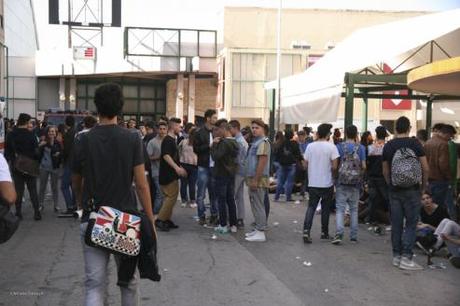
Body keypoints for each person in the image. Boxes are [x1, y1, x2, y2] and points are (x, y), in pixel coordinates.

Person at [72, 83, 155, 306]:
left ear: (96, 107)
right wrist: (150, 218)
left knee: (94, 284)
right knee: (128, 282)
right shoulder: (132, 138)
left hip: (93, 217)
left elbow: (76, 180)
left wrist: (81, 203)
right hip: (124, 220)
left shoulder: (83, 139)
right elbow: (141, 184)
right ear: (120, 108)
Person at [382, 116, 429, 270]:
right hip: (413, 190)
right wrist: (423, 186)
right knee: (411, 223)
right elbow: (425, 167)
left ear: (395, 129)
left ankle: (396, 256)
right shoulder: (415, 144)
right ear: (409, 128)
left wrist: (391, 184)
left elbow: (385, 170)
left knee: (396, 224)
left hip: (395, 190)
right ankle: (406, 258)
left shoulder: (389, 146)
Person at [302, 123, 339, 243]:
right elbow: (334, 167)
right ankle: (324, 233)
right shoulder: (332, 147)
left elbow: (304, 164)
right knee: (325, 208)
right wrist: (333, 177)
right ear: (328, 134)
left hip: (313, 182)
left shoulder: (310, 147)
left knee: (311, 207)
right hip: (326, 183)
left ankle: (306, 231)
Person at [332, 125, 366, 245]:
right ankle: (353, 236)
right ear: (356, 134)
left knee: (340, 209)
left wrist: (335, 178)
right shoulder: (360, 148)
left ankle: (339, 233)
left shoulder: (339, 147)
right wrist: (359, 177)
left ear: (345, 133)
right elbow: (364, 166)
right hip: (355, 183)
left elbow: (335, 166)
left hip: (342, 182)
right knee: (354, 210)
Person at [5, 113, 41, 220]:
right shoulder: (31, 135)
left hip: (17, 166)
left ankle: (18, 213)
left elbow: (8, 152)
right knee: (33, 190)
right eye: (29, 121)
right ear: (26, 122)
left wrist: (12, 161)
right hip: (30, 165)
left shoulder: (11, 134)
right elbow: (36, 151)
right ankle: (37, 213)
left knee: (19, 190)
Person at [155, 118, 187, 232]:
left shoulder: (171, 139)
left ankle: (166, 219)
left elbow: (172, 156)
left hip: (170, 174)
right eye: (179, 126)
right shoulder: (168, 140)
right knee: (171, 197)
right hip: (168, 175)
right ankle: (160, 220)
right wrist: (177, 168)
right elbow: (166, 156)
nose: (180, 128)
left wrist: (179, 166)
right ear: (173, 127)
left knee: (171, 198)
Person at [211, 119, 239, 234]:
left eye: (219, 130)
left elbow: (215, 157)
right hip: (231, 173)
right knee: (230, 199)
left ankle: (223, 224)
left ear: (224, 129)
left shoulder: (224, 143)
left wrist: (213, 145)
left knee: (221, 200)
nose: (217, 132)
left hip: (221, 173)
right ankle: (233, 224)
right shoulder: (235, 142)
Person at [244, 119, 271, 242]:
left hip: (258, 179)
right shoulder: (257, 142)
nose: (254, 130)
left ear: (263, 129)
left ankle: (260, 231)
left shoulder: (263, 143)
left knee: (259, 205)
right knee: (255, 204)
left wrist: (255, 180)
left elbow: (262, 162)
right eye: (253, 128)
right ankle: (257, 229)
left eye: (257, 128)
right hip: (253, 178)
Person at [425, 124, 457, 219]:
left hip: (429, 179)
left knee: (431, 203)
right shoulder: (443, 144)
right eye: (450, 136)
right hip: (440, 179)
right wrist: (449, 177)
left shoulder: (428, 142)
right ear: (446, 134)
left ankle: (431, 223)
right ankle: (439, 226)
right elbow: (443, 164)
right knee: (439, 205)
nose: (450, 139)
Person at [193, 109, 218, 226]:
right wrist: (209, 146)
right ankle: (201, 215)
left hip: (215, 167)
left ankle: (214, 215)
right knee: (201, 194)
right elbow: (196, 149)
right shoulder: (199, 132)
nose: (215, 120)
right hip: (203, 166)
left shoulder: (217, 131)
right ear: (208, 118)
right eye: (214, 118)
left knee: (214, 193)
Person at [366, 126, 389, 227]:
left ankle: (372, 220)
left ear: (376, 134)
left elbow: (367, 163)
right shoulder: (387, 147)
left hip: (372, 177)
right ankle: (391, 219)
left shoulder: (370, 147)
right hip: (383, 177)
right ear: (385, 135)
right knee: (387, 198)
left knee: (372, 199)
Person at [38, 126, 62, 213]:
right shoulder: (43, 142)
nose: (51, 133)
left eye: (53, 132)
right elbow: (37, 153)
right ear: (47, 133)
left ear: (55, 133)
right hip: (44, 167)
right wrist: (39, 146)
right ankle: (40, 204)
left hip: (54, 167)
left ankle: (56, 205)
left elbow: (61, 153)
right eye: (50, 131)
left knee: (55, 187)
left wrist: (59, 154)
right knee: (42, 186)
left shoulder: (57, 143)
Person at [229, 120, 248, 228]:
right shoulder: (241, 140)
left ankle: (233, 218)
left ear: (235, 128)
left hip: (238, 171)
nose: (229, 131)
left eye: (230, 128)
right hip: (242, 171)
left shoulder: (239, 141)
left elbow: (237, 159)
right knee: (239, 196)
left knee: (232, 195)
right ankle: (240, 218)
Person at [274, 130, 302, 202]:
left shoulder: (281, 143)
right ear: (292, 135)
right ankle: (288, 197)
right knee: (289, 182)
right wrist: (299, 160)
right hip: (291, 164)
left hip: (282, 164)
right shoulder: (294, 143)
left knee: (280, 181)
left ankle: (276, 197)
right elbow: (298, 154)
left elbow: (277, 153)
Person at [147, 122, 167, 214]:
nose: (162, 131)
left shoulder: (169, 140)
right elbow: (147, 157)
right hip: (156, 171)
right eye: (161, 129)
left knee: (165, 194)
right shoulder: (152, 142)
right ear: (158, 130)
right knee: (160, 193)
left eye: (164, 129)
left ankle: (162, 214)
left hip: (167, 172)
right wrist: (158, 157)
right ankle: (155, 213)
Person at [178, 125, 198, 208]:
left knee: (184, 184)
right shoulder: (196, 143)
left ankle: (184, 200)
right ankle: (192, 201)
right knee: (191, 184)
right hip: (193, 165)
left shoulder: (183, 141)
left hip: (184, 164)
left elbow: (178, 151)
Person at [61, 115, 77, 214]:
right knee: (73, 185)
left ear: (66, 123)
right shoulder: (77, 133)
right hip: (76, 163)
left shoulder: (68, 134)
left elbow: (66, 150)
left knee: (64, 186)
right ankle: (75, 205)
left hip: (69, 163)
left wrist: (60, 155)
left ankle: (70, 206)